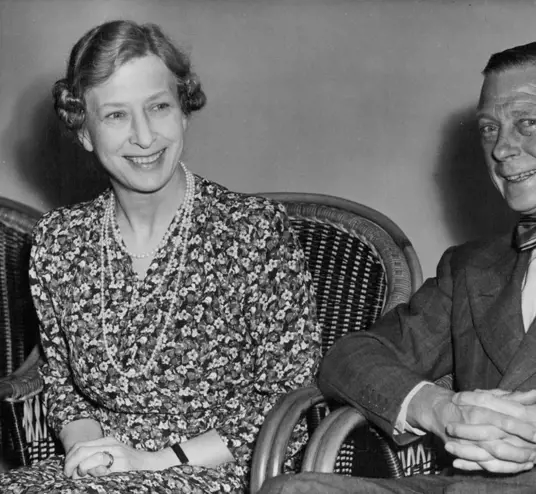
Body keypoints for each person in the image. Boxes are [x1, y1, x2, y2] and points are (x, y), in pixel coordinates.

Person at [260, 41, 536, 493]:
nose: (501, 148)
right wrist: (438, 408)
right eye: (488, 129)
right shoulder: (470, 266)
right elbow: (350, 356)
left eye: (527, 123)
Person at [1, 20, 320, 494]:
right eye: (115, 116)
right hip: (103, 472)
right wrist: (91, 453)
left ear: (184, 111)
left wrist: (152, 462)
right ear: (84, 131)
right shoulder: (58, 241)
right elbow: (62, 384)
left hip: (220, 469)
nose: (145, 136)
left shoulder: (254, 230)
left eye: (159, 107)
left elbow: (290, 405)